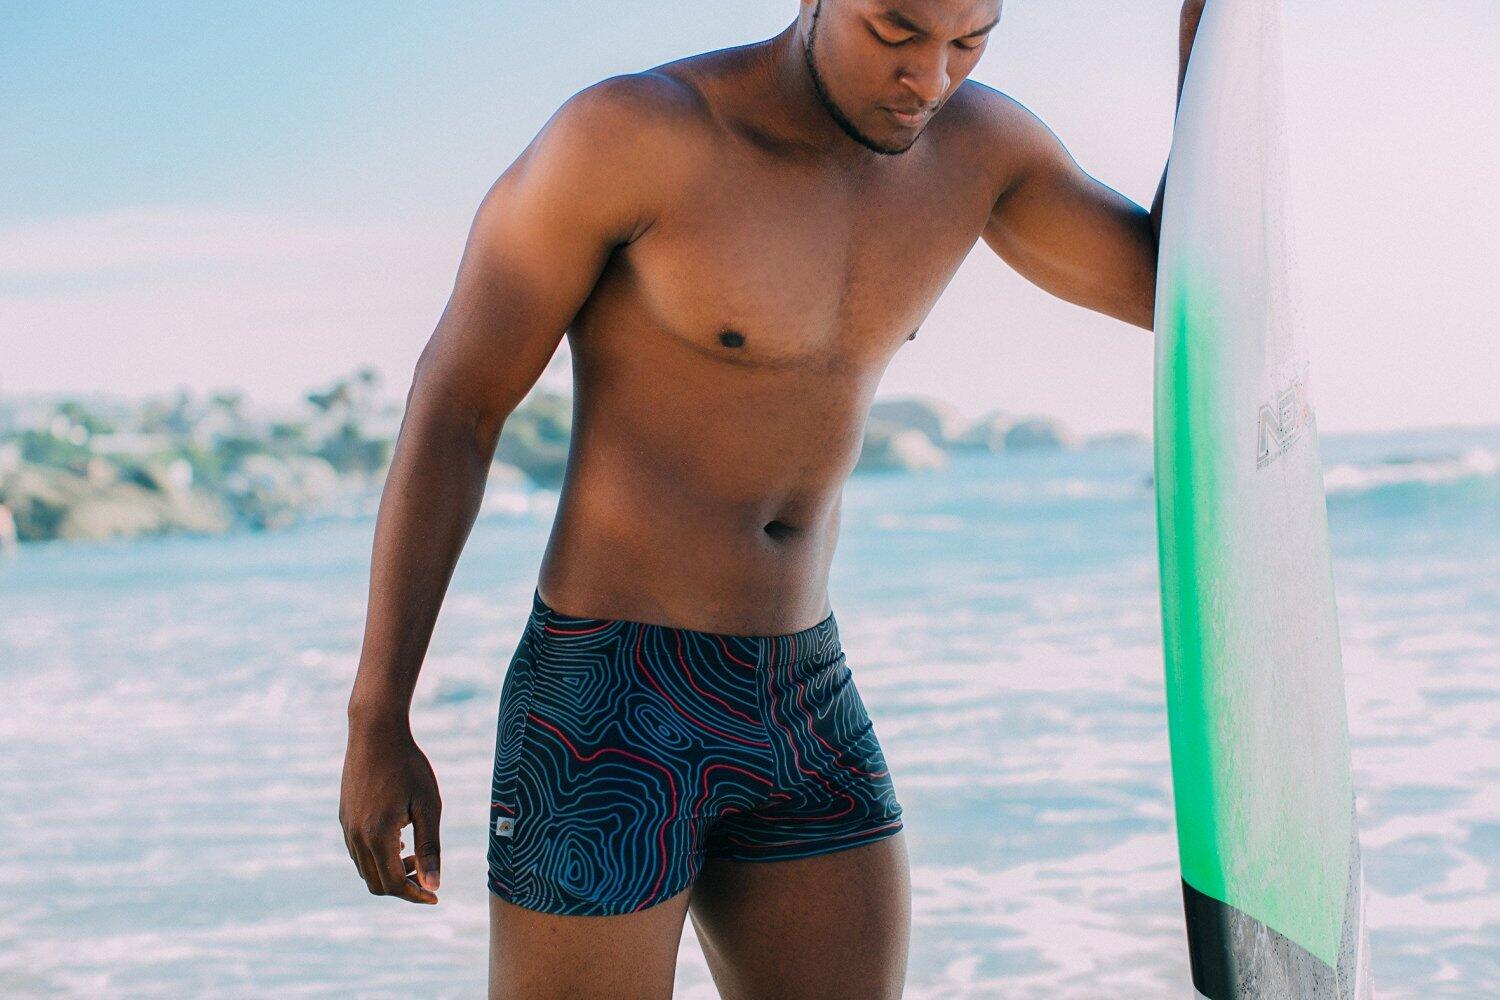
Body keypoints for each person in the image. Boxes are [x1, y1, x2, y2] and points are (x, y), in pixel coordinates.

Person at [339, 0, 1206, 995]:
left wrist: (1209, 44)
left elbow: (1174, 288)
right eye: (895, 33)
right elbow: (459, 404)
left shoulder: (982, 151)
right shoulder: (632, 136)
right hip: (612, 702)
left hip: (805, 694)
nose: (929, 78)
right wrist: (378, 715)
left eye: (969, 42)